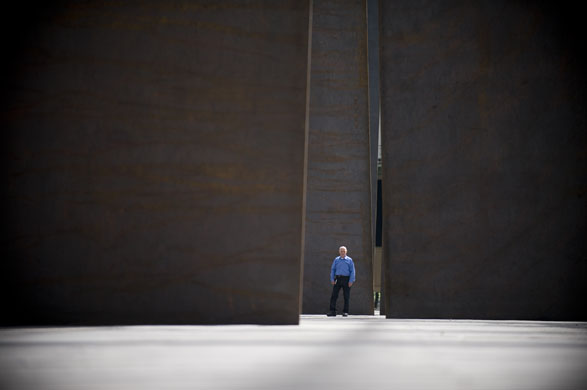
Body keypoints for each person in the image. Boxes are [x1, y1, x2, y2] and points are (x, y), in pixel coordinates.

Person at [327, 246, 355, 317]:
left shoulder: (349, 260)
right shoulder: (336, 260)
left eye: (344, 251)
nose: (342, 252)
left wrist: (351, 281)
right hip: (338, 279)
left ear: (346, 252)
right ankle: (332, 311)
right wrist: (332, 279)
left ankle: (345, 312)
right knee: (334, 295)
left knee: (346, 296)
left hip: (346, 279)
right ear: (339, 252)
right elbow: (333, 269)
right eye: (341, 251)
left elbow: (352, 271)